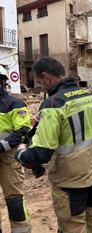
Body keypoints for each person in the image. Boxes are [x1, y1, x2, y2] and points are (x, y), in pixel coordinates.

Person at [15, 57, 92, 233]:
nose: (42, 88)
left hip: (71, 181)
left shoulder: (54, 104)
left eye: (41, 84)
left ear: (46, 77)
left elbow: (41, 153)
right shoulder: (89, 97)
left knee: (73, 226)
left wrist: (21, 153)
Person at [0, 66, 32, 233]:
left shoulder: (14, 104)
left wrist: (2, 145)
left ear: (3, 82)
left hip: (8, 158)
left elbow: (23, 131)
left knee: (15, 201)